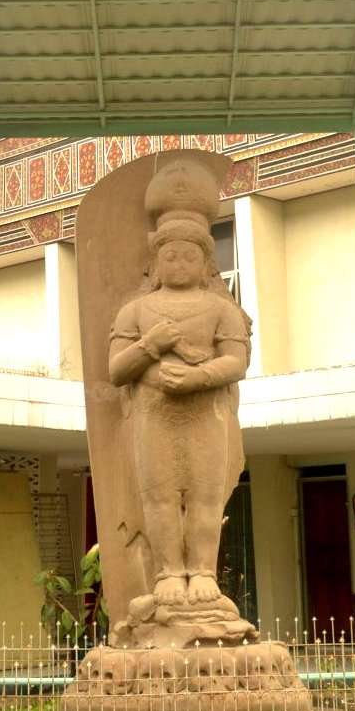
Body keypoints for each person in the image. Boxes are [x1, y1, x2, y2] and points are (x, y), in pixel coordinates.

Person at [109, 215, 250, 611]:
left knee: (206, 495)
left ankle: (203, 571)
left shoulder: (220, 309)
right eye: (170, 257)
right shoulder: (135, 312)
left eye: (190, 257)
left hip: (207, 414)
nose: (180, 264)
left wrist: (197, 377)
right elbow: (117, 370)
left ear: (205, 264)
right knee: (160, 496)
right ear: (156, 263)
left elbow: (236, 362)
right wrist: (150, 345)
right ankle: (168, 572)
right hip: (153, 416)